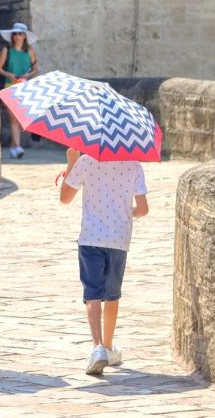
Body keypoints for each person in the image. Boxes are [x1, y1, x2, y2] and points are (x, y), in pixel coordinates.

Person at [59, 148, 149, 375]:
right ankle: (109, 347)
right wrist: (128, 212)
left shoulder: (86, 161)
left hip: (91, 236)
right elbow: (144, 209)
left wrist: (71, 163)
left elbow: (65, 198)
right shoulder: (134, 165)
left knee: (92, 293)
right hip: (119, 238)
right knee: (112, 294)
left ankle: (97, 346)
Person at [0, 22, 39, 159]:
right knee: (13, 118)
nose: (17, 36)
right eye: (15, 34)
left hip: (25, 87)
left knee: (21, 119)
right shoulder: (6, 50)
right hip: (10, 87)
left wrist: (27, 75)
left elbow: (36, 69)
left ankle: (14, 146)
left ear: (25, 36)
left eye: (20, 34)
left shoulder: (30, 51)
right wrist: (9, 75)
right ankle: (19, 147)